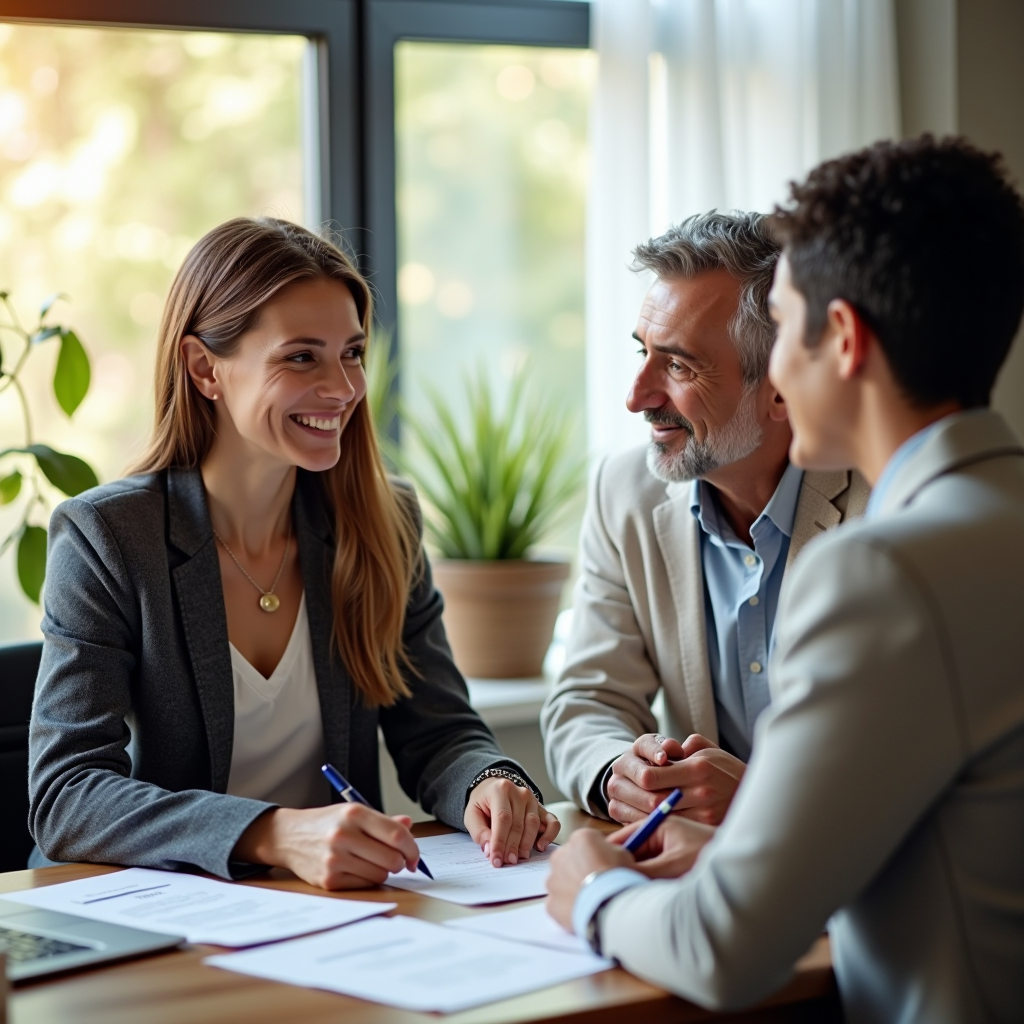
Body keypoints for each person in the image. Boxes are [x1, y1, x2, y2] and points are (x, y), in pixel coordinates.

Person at [546, 136, 1024, 1023]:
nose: (778, 381)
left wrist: (591, 889)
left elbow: (721, 949)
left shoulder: (886, 569)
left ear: (839, 340)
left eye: (791, 319)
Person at [28, 217, 559, 887]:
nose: (343, 388)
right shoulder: (108, 537)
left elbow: (438, 731)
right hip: (161, 916)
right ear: (205, 369)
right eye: (302, 356)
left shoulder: (381, 521)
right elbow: (68, 796)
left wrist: (488, 782)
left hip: (327, 912)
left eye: (353, 353)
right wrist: (274, 831)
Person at [541, 211, 868, 826]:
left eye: (679, 366)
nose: (636, 396)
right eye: (642, 353)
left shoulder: (883, 505)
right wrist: (624, 773)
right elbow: (588, 700)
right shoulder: (625, 490)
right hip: (694, 871)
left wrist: (763, 803)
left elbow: (916, 758)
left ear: (780, 387)